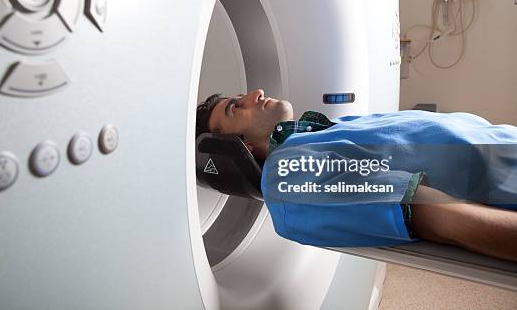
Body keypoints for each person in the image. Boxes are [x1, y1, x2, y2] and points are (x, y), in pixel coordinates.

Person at [196, 89, 517, 262]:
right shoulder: (287, 174)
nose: (255, 93)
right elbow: (443, 219)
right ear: (241, 148)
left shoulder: (322, 132)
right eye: (236, 108)